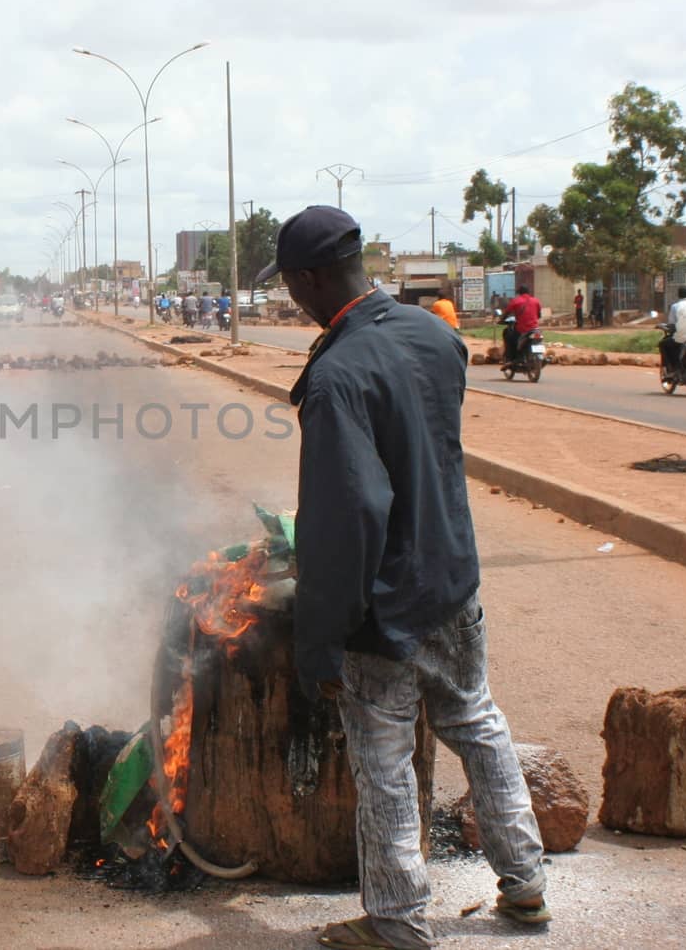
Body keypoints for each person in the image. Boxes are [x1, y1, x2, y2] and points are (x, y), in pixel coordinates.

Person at [256, 206, 547, 950]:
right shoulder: (436, 335)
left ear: (310, 278)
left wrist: (322, 639)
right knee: (477, 722)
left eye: (291, 284)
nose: (292, 297)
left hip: (386, 607)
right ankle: (526, 883)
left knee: (382, 761)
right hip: (453, 578)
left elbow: (348, 517)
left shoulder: (336, 377)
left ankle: (394, 919)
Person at [500, 285, 541, 364]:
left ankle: (513, 357)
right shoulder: (536, 301)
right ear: (529, 292)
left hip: (522, 329)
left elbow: (507, 312)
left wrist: (502, 319)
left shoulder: (516, 301)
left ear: (519, 293)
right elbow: (539, 315)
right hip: (535, 329)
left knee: (509, 335)